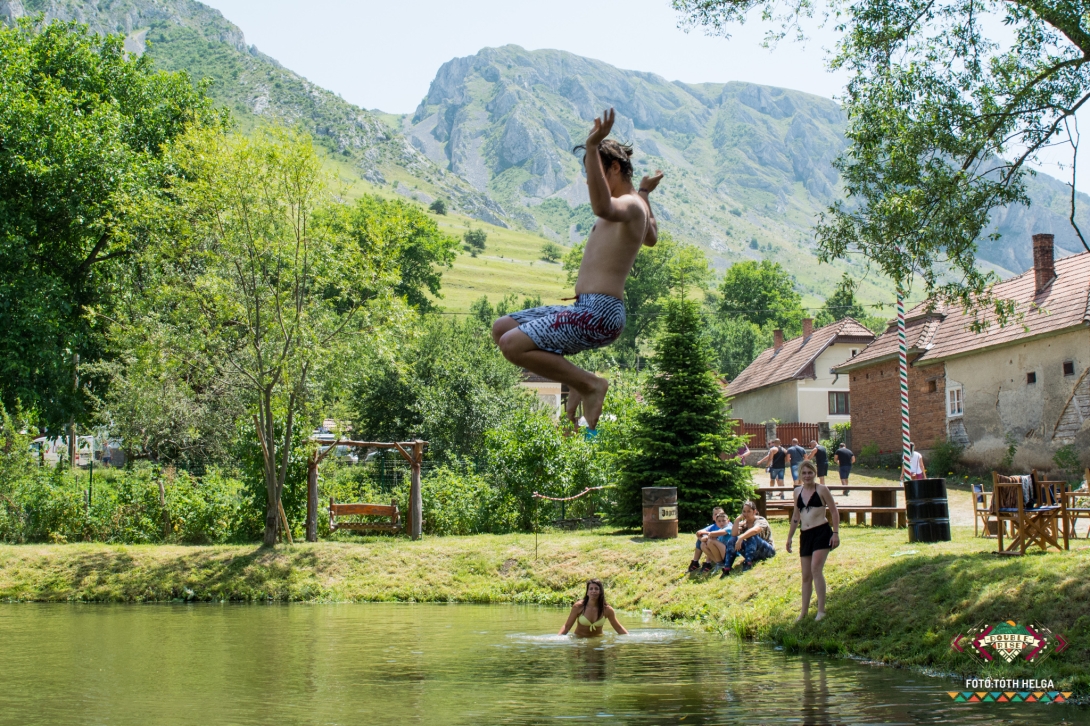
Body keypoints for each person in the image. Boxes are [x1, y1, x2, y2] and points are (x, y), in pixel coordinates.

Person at [492, 108, 662, 432]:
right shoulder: (635, 206)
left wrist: (593, 144)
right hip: (585, 309)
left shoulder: (626, 206)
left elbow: (602, 206)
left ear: (613, 167)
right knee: (502, 328)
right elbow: (651, 238)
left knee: (513, 345)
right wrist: (645, 192)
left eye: (593, 171)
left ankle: (589, 384)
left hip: (600, 312)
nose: (590, 181)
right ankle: (582, 383)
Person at [786, 459, 840, 621]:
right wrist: (789, 537)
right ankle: (803, 612)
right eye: (804, 473)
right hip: (805, 534)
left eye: (810, 473)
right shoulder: (797, 492)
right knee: (806, 575)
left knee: (816, 569)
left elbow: (834, 512)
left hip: (821, 532)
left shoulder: (822, 489)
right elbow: (796, 516)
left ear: (815, 474)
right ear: (800, 475)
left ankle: (821, 610)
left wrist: (835, 533)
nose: (807, 476)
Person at [718, 501, 776, 577]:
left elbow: (755, 530)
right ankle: (727, 568)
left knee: (752, 536)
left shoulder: (761, 520)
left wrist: (741, 538)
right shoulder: (744, 523)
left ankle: (748, 563)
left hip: (767, 551)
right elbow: (734, 534)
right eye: (744, 512)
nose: (746, 514)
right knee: (732, 540)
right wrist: (737, 520)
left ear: (754, 511)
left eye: (749, 511)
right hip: (754, 553)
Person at [560, 578, 628, 636]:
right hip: (579, 642)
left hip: (598, 643)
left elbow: (619, 628)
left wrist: (629, 638)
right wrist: (558, 638)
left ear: (600, 592)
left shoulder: (607, 610)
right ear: (587, 592)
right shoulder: (578, 607)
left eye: (596, 589)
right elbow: (567, 626)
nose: (593, 591)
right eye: (591, 589)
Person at [694, 510, 733, 574]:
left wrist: (705, 534)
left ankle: (722, 563)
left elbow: (714, 534)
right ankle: (719, 564)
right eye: (719, 521)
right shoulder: (719, 529)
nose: (721, 523)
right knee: (703, 545)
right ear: (716, 523)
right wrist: (702, 539)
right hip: (723, 553)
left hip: (730, 553)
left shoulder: (729, 528)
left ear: (728, 521)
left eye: (724, 521)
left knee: (711, 541)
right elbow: (704, 535)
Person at [688, 506, 726, 572]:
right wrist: (702, 538)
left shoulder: (726, 525)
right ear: (713, 517)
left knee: (709, 540)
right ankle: (695, 562)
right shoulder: (712, 526)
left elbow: (718, 534)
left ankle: (708, 563)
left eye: (720, 514)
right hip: (714, 546)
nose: (718, 515)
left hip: (723, 549)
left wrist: (707, 535)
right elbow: (698, 532)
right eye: (715, 514)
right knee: (702, 541)